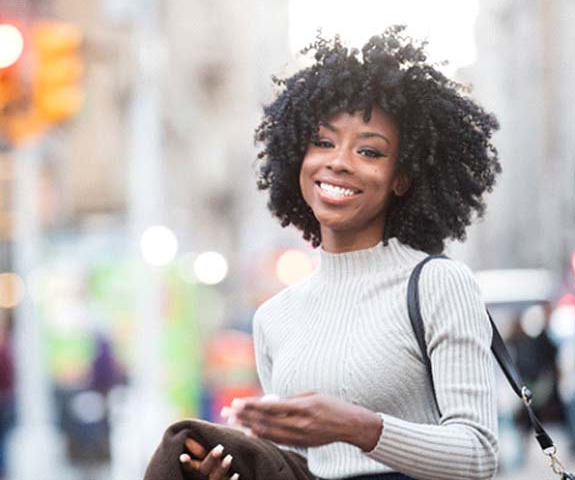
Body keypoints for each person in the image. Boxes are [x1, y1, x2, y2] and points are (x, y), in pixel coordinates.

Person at [180, 25, 502, 480]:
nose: (339, 161)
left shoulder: (436, 284)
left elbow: (479, 455)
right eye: (324, 142)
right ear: (297, 155)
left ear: (401, 178)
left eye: (369, 151)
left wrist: (359, 427)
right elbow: (297, 470)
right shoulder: (274, 318)